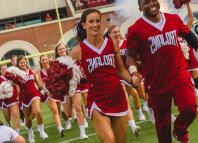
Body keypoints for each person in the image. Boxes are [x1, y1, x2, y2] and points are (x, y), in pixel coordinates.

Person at [126, 0, 198, 143]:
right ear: (140, 8)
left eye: (153, 0)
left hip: (179, 73)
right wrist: (133, 73)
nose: (151, 3)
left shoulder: (173, 19)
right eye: (146, 2)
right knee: (162, 124)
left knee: (190, 108)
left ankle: (179, 130)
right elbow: (130, 55)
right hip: (156, 80)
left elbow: (189, 35)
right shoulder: (135, 29)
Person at [70, 8, 139, 143]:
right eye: (91, 22)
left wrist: (132, 79)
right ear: (84, 25)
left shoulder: (112, 43)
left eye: (97, 21)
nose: (95, 25)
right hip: (97, 100)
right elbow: (68, 76)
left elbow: (120, 70)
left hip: (117, 96)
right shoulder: (77, 51)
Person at [104, 24, 142, 137]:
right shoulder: (107, 47)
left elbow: (133, 56)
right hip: (117, 77)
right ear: (109, 34)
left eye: (118, 31)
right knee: (125, 100)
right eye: (114, 32)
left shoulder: (126, 43)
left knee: (142, 95)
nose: (117, 34)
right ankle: (133, 126)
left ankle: (147, 110)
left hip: (130, 75)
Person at [54, 42, 88, 138]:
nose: (63, 50)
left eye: (64, 48)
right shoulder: (56, 63)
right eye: (60, 49)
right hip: (65, 90)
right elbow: (55, 78)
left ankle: (82, 132)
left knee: (77, 107)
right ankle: (70, 118)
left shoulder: (71, 59)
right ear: (57, 52)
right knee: (68, 114)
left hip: (74, 87)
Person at [16, 56, 48, 142]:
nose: (23, 64)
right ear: (18, 64)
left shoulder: (31, 71)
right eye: (21, 63)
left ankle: (41, 130)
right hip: (24, 96)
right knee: (28, 117)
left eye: (24, 62)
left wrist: (46, 90)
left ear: (26, 62)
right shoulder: (17, 73)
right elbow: (14, 85)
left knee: (37, 111)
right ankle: (30, 132)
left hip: (34, 93)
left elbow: (38, 82)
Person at [36, 55, 65, 136]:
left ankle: (64, 122)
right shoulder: (40, 74)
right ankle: (60, 128)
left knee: (58, 110)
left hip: (57, 92)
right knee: (55, 110)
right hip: (47, 94)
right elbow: (41, 86)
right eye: (43, 60)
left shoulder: (53, 69)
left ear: (48, 60)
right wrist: (47, 90)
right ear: (40, 62)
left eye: (46, 59)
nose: (44, 61)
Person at [0, 64, 21, 132]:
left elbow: (17, 86)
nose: (4, 70)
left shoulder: (12, 76)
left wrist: (18, 95)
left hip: (13, 98)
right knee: (7, 118)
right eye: (2, 69)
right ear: (0, 71)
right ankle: (8, 123)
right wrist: (1, 91)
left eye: (5, 69)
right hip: (4, 101)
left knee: (15, 114)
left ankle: (17, 132)